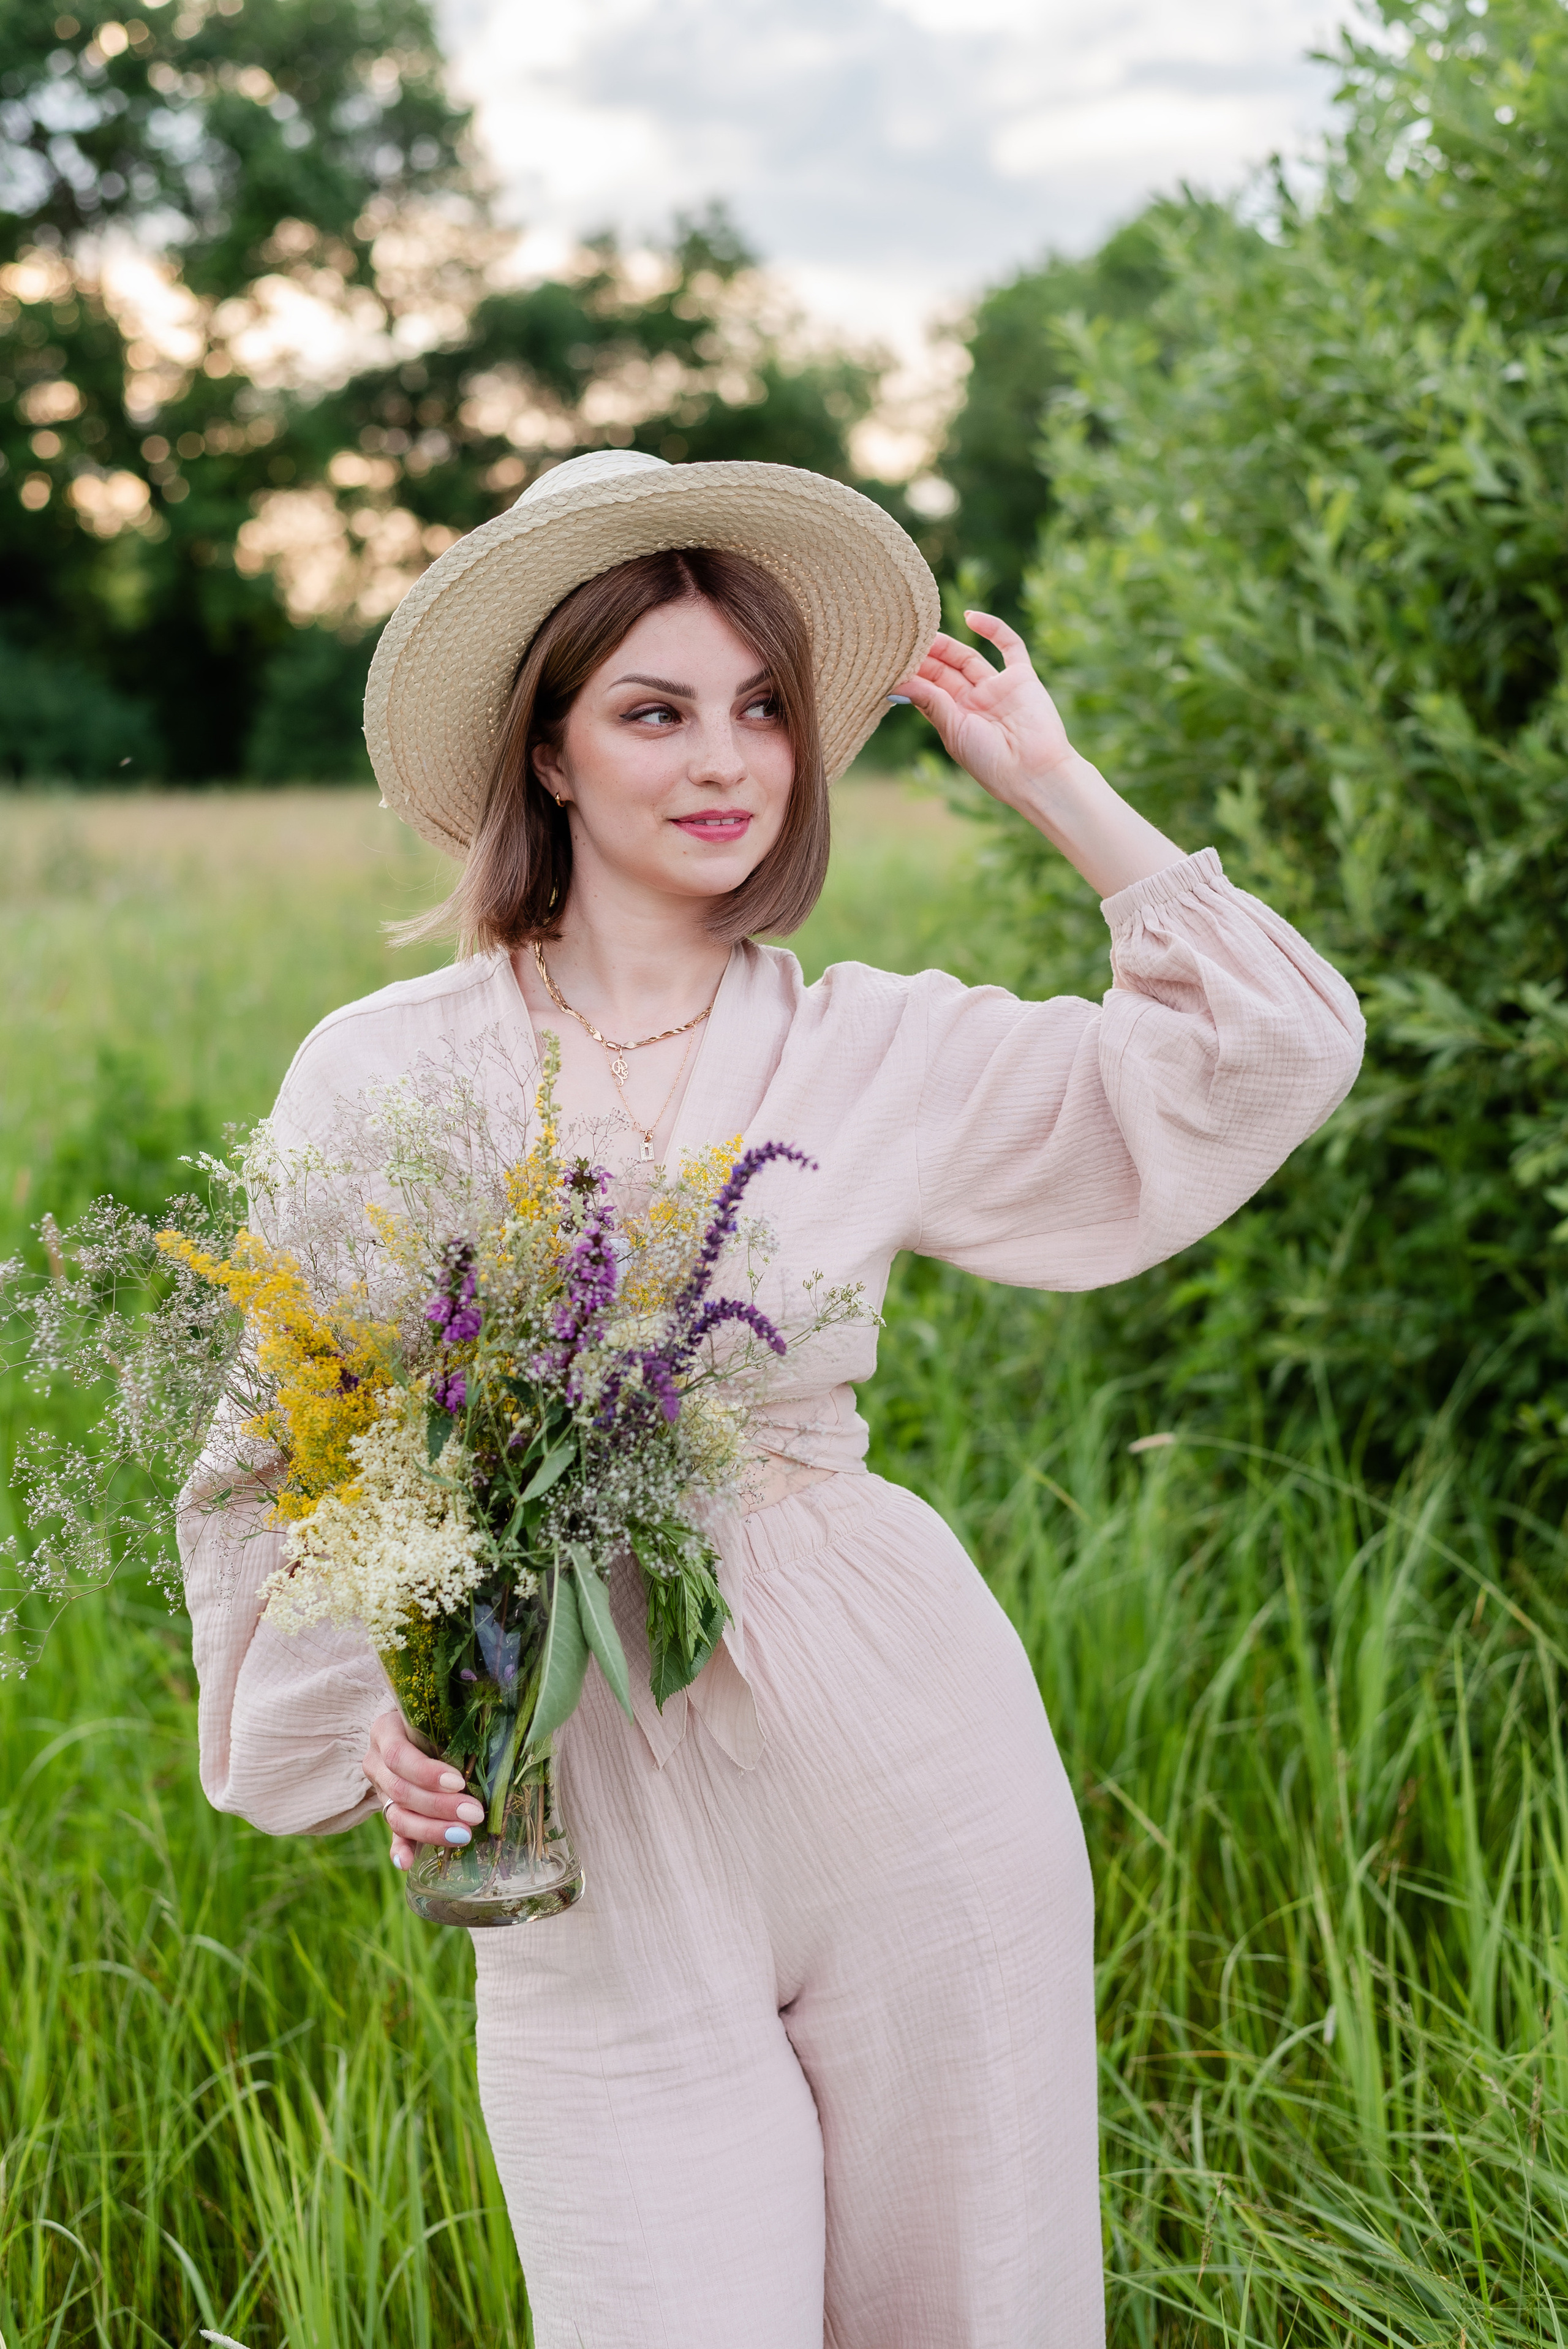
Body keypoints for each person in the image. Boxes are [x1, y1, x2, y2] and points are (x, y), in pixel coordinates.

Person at [180, 448, 1363, 2348]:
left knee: (972, 2304)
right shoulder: (380, 1071)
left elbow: (1274, 1047)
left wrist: (1050, 781)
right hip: (578, 1800)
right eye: (655, 710)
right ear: (547, 753)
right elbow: (280, 1460)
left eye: (762, 710)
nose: (729, 757)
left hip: (907, 1762)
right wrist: (378, 1727)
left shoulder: (886, 1040)